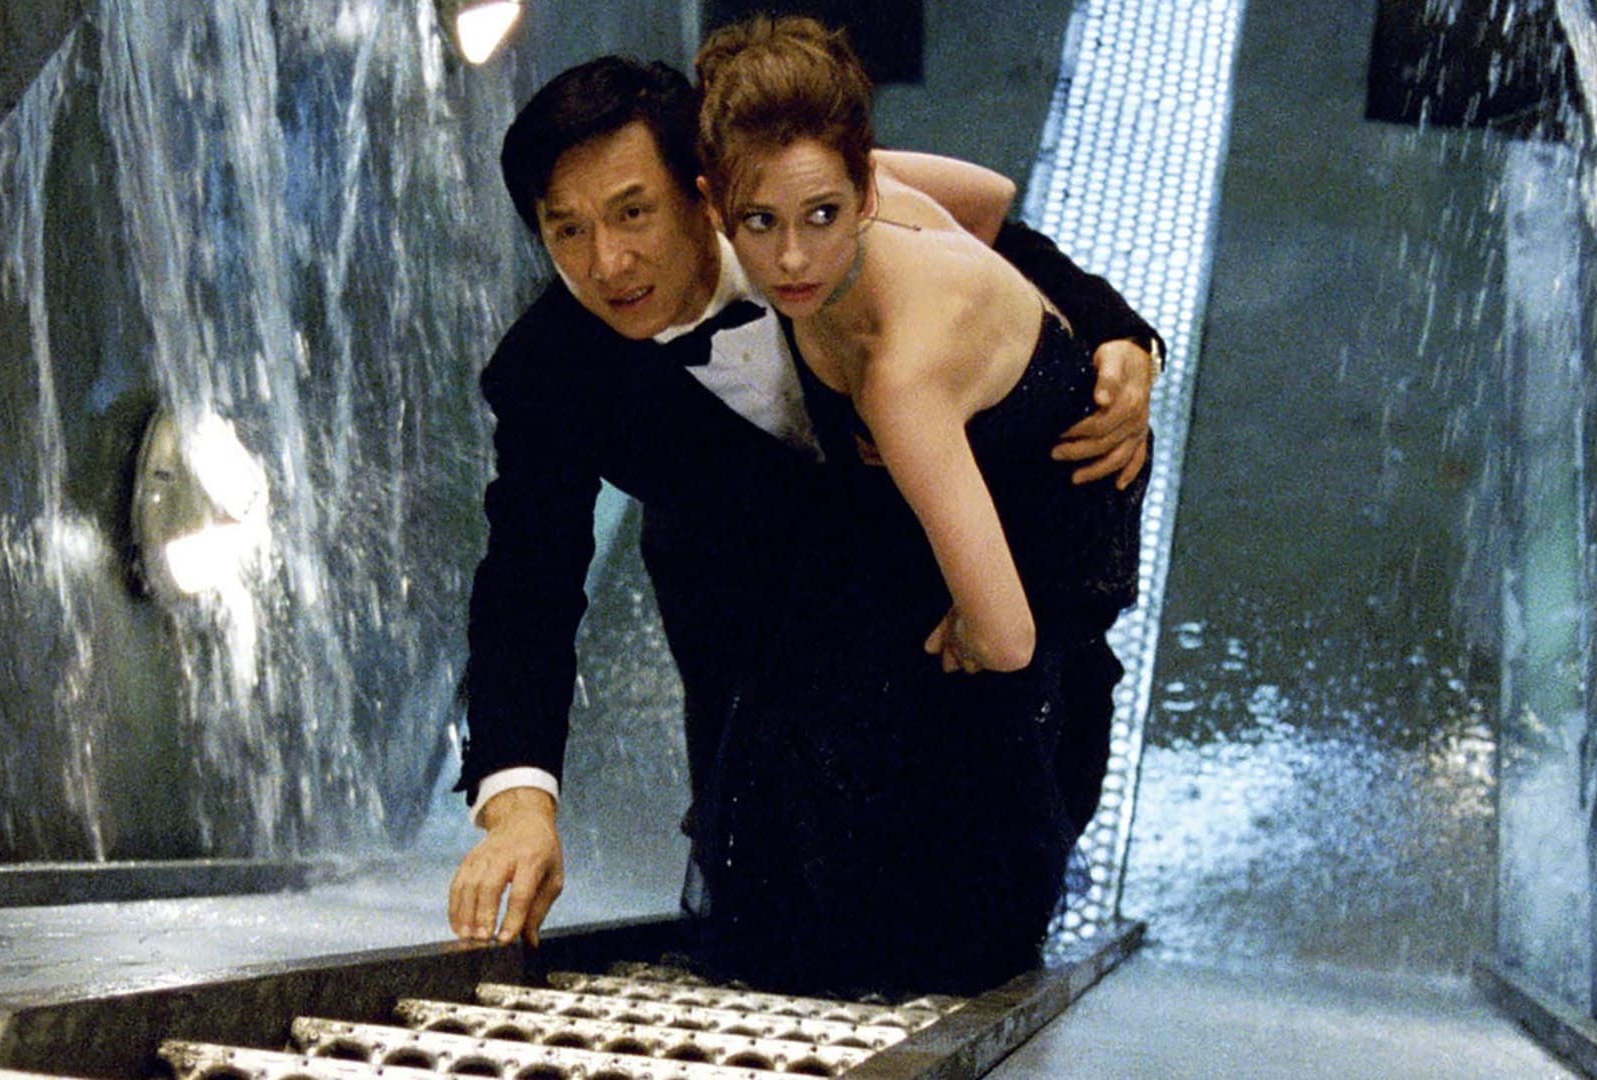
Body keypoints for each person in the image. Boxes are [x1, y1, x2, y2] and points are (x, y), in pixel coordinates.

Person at [448, 53, 1162, 954]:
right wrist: (518, 806)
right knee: (780, 918)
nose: (608, 262)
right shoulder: (548, 372)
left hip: (967, 586)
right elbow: (526, 586)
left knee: (988, 893)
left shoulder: (790, 215)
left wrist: (1117, 336)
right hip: (757, 624)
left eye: (633, 212)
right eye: (568, 230)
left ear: (706, 193)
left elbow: (978, 238)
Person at [682, 15, 1152, 994]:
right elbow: (991, 197)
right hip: (972, 479)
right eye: (761, 223)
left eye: (822, 216)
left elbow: (1009, 638)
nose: (794, 258)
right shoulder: (861, 193)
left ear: (862, 191)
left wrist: (965, 620)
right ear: (717, 208)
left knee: (905, 900)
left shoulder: (903, 380)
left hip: (1052, 545)